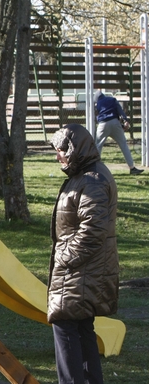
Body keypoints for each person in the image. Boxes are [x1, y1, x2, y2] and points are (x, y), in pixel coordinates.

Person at [49, 124, 120, 384]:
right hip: (83, 271)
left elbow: (92, 232)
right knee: (80, 328)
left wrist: (63, 257)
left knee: (65, 326)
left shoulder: (93, 180)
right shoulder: (85, 175)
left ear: (74, 150)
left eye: (60, 151)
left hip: (81, 270)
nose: (58, 157)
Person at [94, 90, 143, 175]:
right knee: (123, 145)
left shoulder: (97, 103)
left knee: (98, 146)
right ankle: (132, 168)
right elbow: (120, 110)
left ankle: (94, 168)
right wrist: (125, 121)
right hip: (115, 122)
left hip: (102, 124)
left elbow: (96, 115)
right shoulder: (112, 100)